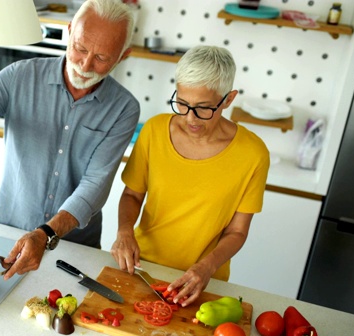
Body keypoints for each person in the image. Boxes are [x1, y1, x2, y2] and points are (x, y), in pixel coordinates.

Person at [0, 0, 140, 280]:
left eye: (102, 58)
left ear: (123, 55)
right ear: (68, 32)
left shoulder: (125, 108)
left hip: (76, 249)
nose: (85, 64)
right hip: (8, 233)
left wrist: (46, 234)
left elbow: (95, 186)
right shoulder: (19, 76)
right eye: (80, 48)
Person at [110, 45, 270, 306]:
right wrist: (124, 232)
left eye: (204, 108)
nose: (190, 118)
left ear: (228, 100)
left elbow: (237, 232)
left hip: (203, 279)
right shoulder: (154, 131)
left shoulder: (254, 154)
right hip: (141, 267)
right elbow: (131, 194)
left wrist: (207, 267)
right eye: (182, 104)